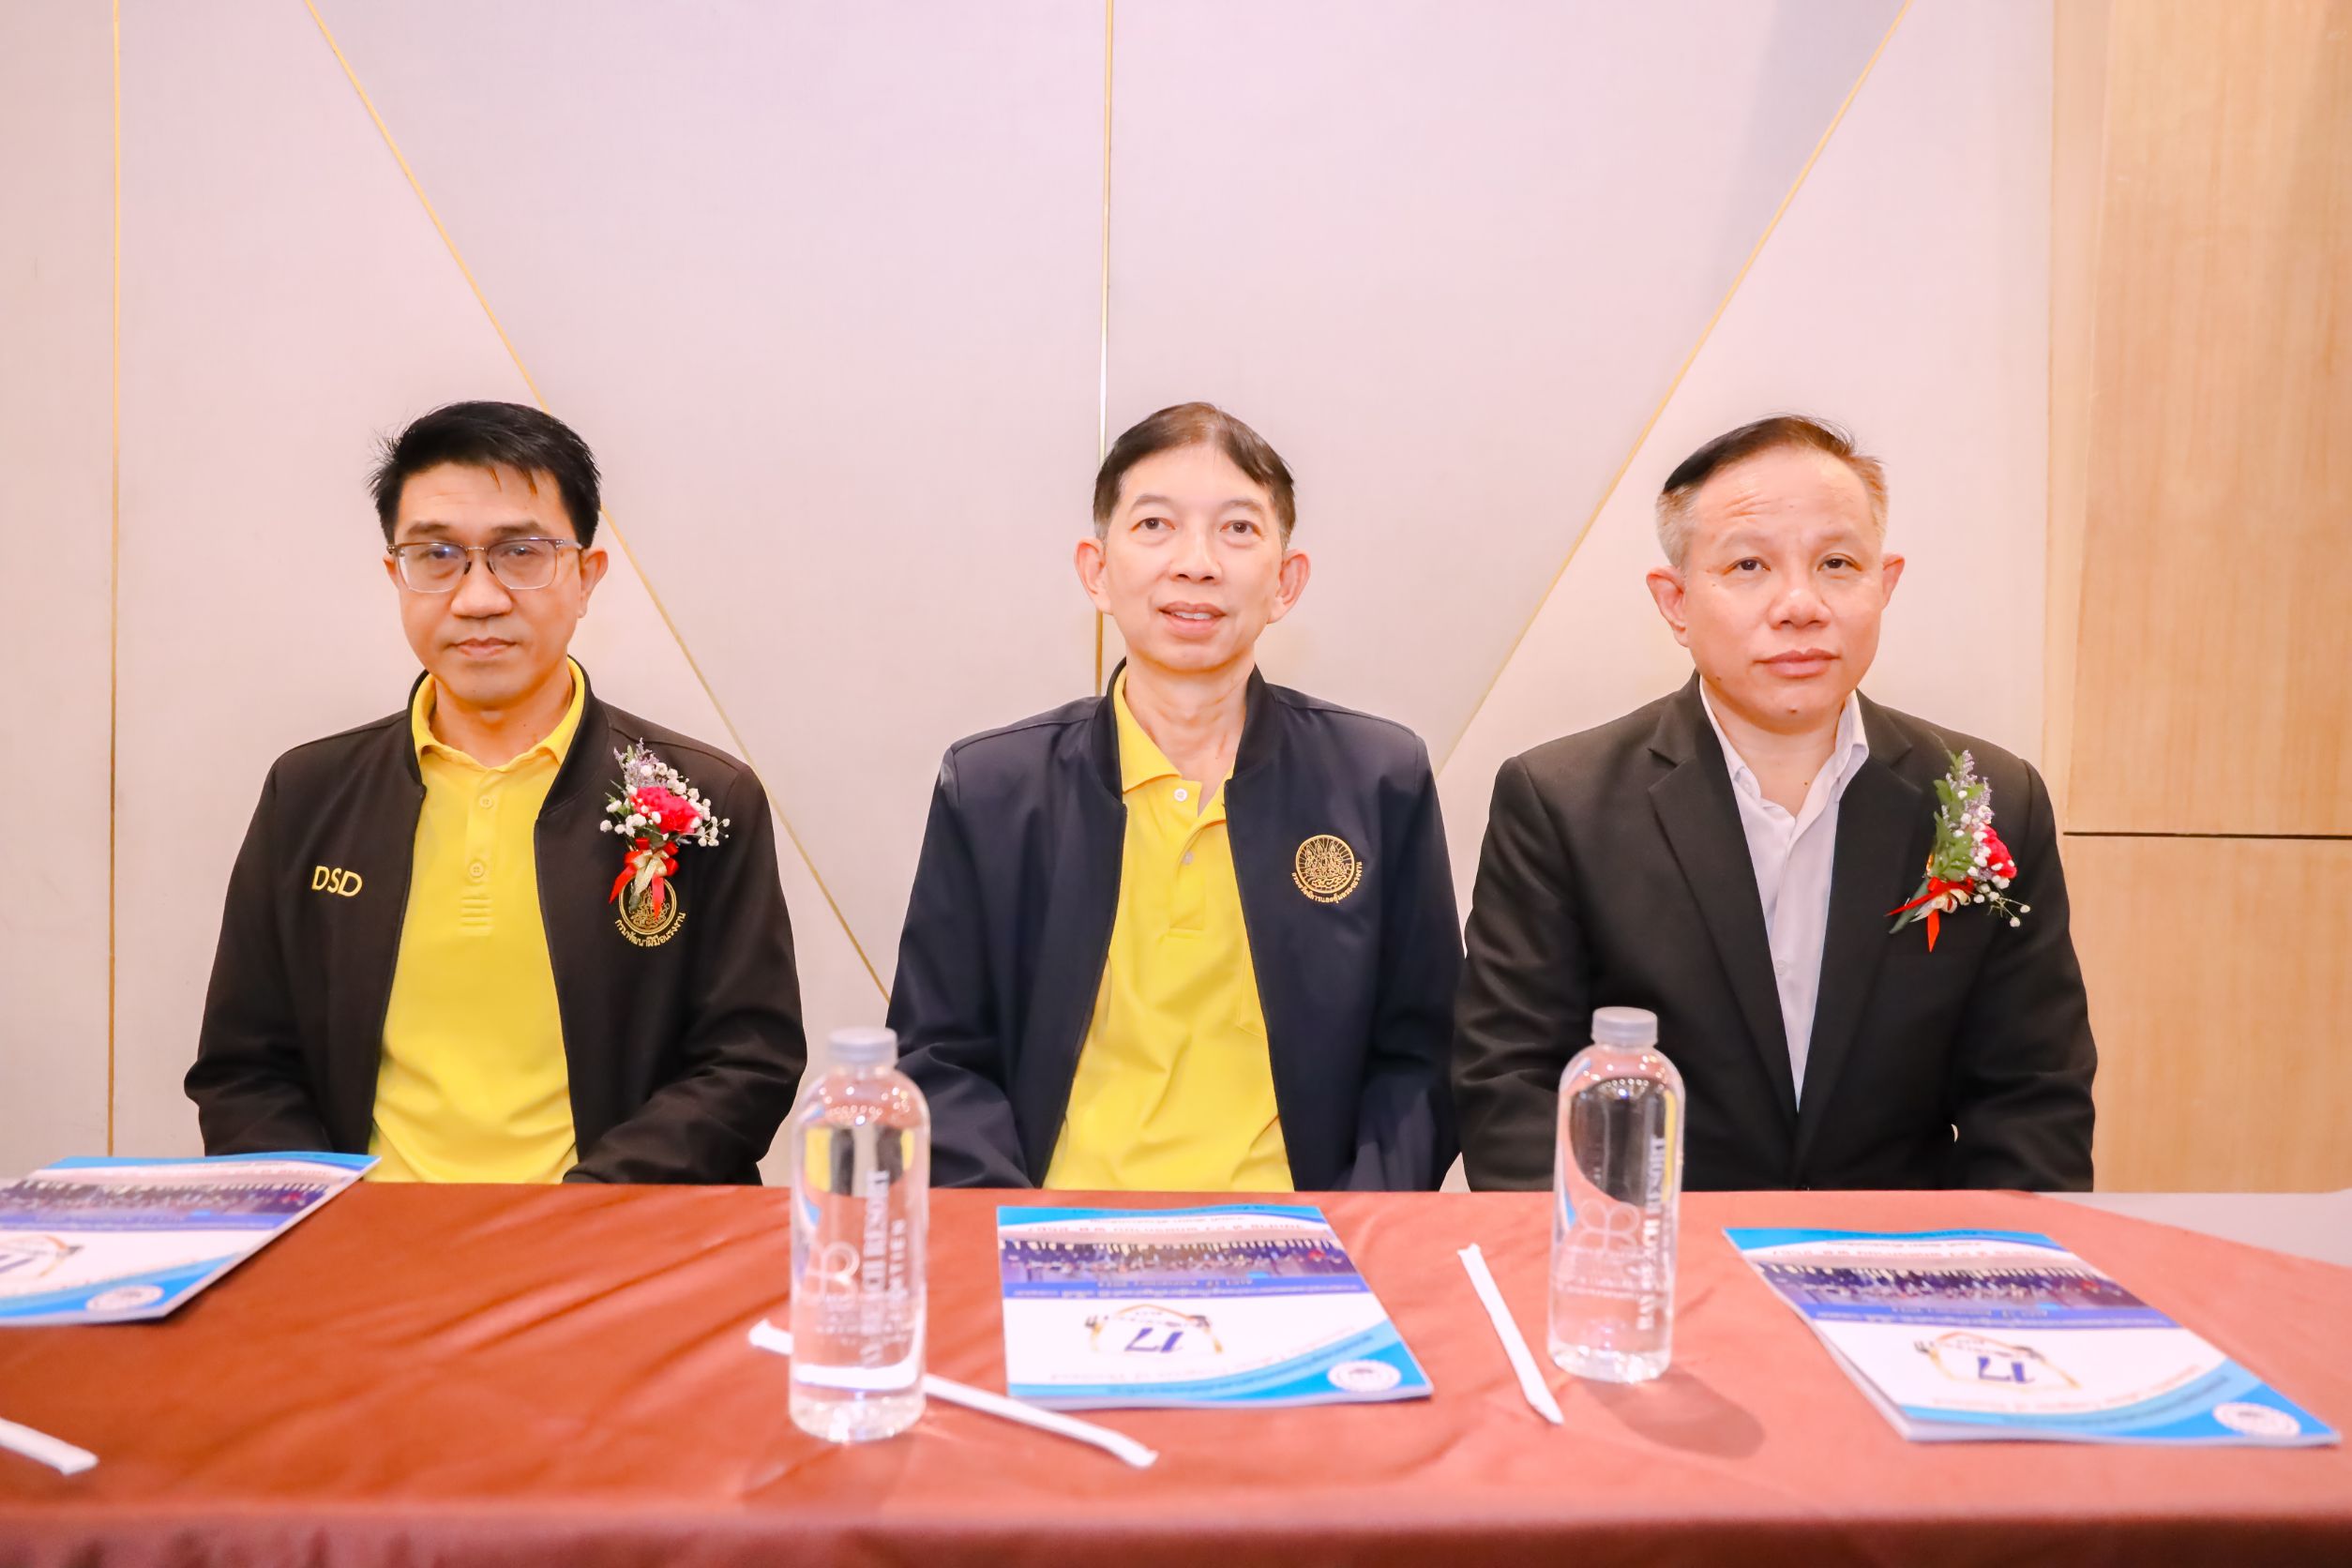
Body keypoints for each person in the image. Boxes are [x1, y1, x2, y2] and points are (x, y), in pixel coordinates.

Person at [1454, 415, 2094, 1191]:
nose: (1800, 604)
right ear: (1675, 601)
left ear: (1885, 584)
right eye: (1750, 565)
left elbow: (2031, 1101)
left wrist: (1982, 1259)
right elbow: (1511, 1089)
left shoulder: (1988, 799)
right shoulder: (1562, 802)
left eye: (1837, 564)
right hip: (1655, 1251)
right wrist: (1618, 1252)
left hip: (1899, 1259)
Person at [187, 400, 805, 1183]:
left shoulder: (702, 797)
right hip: (365, 1238)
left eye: (520, 553)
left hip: (606, 1237)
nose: (478, 597)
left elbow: (747, 1061)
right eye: (437, 555)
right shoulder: (309, 794)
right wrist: (338, 1217)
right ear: (396, 575)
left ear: (586, 576)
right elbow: (245, 1070)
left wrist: (581, 1215)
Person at [889, 402, 1459, 1190]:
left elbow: (1423, 1060)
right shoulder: (992, 790)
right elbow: (937, 1058)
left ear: (1287, 582)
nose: (1196, 563)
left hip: (1302, 1237)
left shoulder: (1379, 779)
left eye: (1238, 529)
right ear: (1097, 571)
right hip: (1051, 1231)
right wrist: (1017, 1230)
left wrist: (1349, 1226)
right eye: (1155, 524)